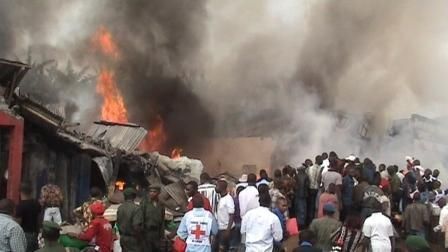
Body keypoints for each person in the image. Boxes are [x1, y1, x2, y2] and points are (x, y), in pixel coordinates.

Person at [16, 182, 41, 252]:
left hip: (25, 235)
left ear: (20, 192)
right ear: (31, 191)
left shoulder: (20, 206)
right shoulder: (36, 203)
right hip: (35, 234)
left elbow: (17, 224)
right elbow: (38, 219)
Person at [117, 187, 143, 252]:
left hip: (123, 238)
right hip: (133, 239)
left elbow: (118, 222)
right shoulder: (136, 208)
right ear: (134, 196)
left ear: (124, 196)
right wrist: (140, 237)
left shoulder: (120, 208)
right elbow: (136, 226)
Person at [142, 184, 165, 252]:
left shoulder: (161, 204)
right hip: (147, 233)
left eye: (154, 192)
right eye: (150, 191)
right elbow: (141, 218)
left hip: (157, 233)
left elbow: (162, 219)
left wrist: (162, 235)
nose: (152, 193)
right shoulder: (144, 203)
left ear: (158, 193)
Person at [214, 180, 235, 252]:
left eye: (217, 186)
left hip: (226, 229)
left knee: (222, 249)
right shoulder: (221, 198)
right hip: (221, 229)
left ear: (222, 187)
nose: (215, 188)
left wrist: (228, 230)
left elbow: (231, 215)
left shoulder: (228, 199)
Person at [307, 156, 322, 225]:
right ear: (318, 160)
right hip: (317, 189)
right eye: (321, 160)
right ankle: (314, 220)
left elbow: (307, 179)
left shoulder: (309, 168)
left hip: (310, 188)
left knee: (311, 205)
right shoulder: (321, 169)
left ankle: (309, 220)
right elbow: (320, 180)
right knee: (317, 205)